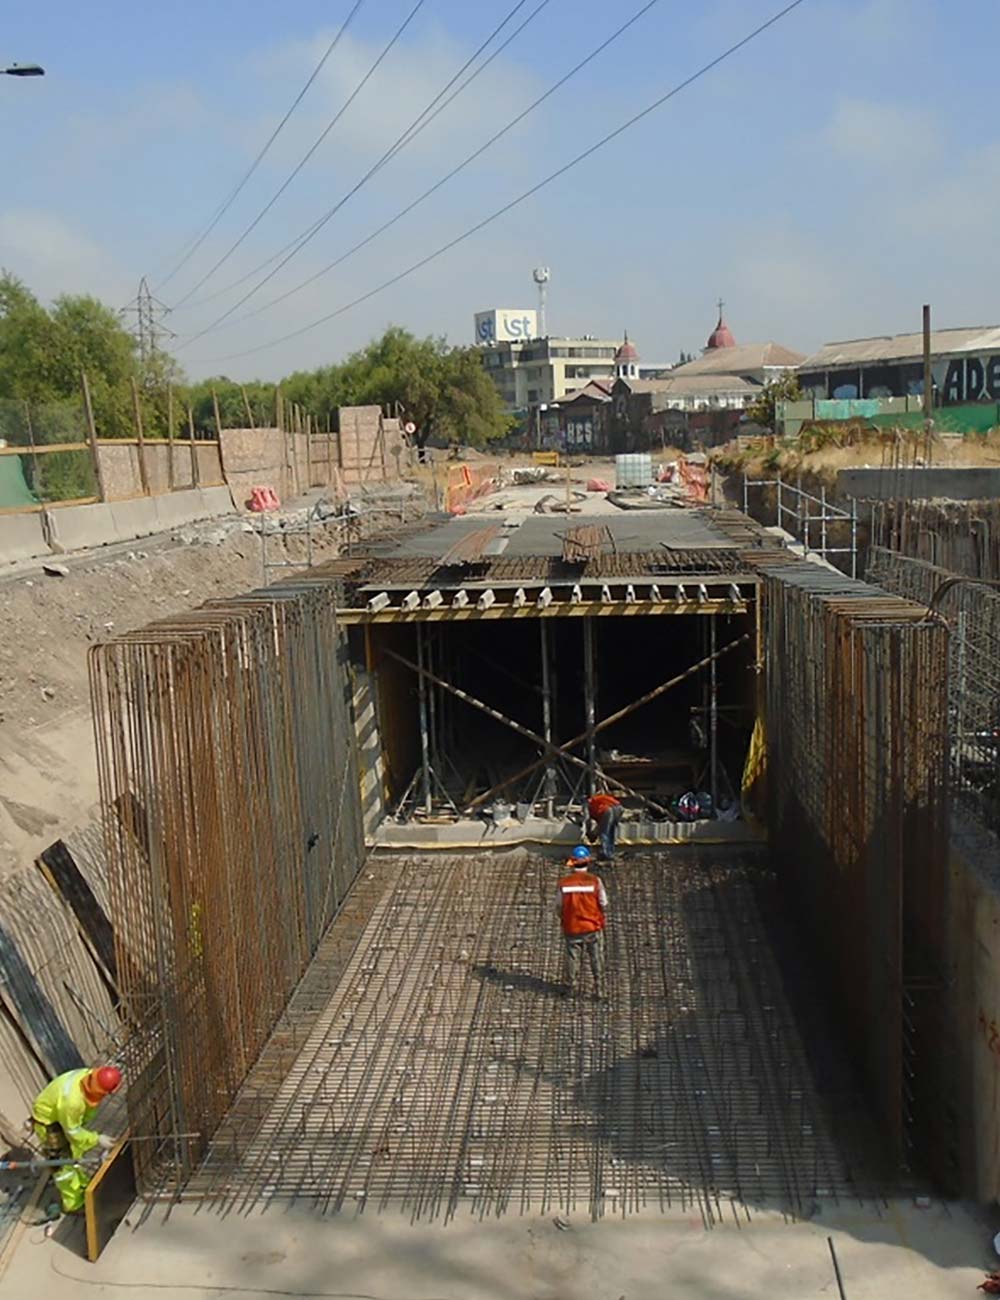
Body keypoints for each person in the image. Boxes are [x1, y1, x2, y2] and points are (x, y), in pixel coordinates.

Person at [31, 1065, 121, 1214]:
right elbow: (73, 1131)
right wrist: (97, 1139)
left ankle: (81, 1187)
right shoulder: (72, 1103)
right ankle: (73, 1204)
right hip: (47, 1122)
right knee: (63, 1165)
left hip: (58, 1112)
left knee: (74, 1154)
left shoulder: (88, 1075)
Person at [555, 845, 608, 999]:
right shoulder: (595, 881)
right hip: (592, 926)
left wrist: (564, 918)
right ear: (587, 862)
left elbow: (558, 905)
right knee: (596, 957)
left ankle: (571, 988)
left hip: (572, 927)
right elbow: (603, 902)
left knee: (572, 957)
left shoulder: (564, 883)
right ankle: (599, 990)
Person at [587, 791, 623, 862]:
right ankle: (610, 852)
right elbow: (600, 824)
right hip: (619, 809)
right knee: (611, 832)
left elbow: (588, 821)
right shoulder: (598, 802)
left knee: (604, 833)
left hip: (608, 811)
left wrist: (589, 831)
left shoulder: (590, 804)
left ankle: (605, 853)